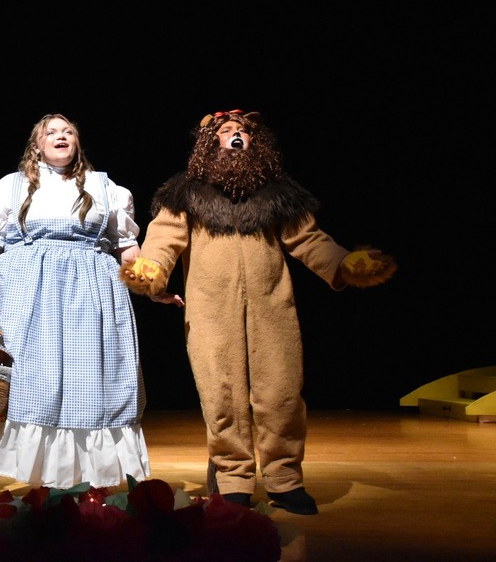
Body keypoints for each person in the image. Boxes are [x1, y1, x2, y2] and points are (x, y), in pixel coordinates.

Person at [121, 109, 396, 515]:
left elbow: (309, 239)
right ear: (210, 143)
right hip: (211, 312)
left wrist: (343, 263)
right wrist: (152, 268)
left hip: (273, 307)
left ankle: (285, 480)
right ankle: (233, 480)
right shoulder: (184, 193)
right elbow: (164, 238)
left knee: (281, 394)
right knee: (221, 396)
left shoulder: (276, 194)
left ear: (256, 143)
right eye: (227, 131)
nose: (236, 137)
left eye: (243, 132)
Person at [0, 113, 148, 501]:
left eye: (68, 132)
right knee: (36, 383)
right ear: (37, 145)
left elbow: (127, 247)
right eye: (52, 133)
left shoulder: (105, 188)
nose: (61, 137)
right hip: (27, 295)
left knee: (95, 383)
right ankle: (47, 485)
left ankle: (92, 483)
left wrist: (152, 284)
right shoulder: (8, 188)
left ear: (77, 143)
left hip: (92, 294)